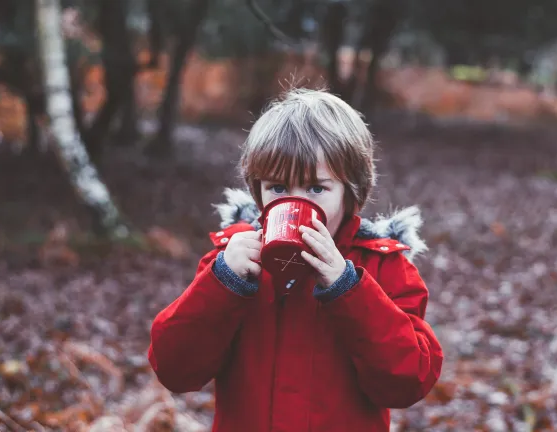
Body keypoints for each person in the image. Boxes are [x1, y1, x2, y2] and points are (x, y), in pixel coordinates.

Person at [148, 88, 443, 432]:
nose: (294, 202)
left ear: (352, 193)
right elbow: (174, 368)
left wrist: (349, 289)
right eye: (277, 187)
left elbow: (408, 381)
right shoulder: (232, 261)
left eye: (316, 188)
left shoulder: (383, 268)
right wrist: (223, 282)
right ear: (256, 190)